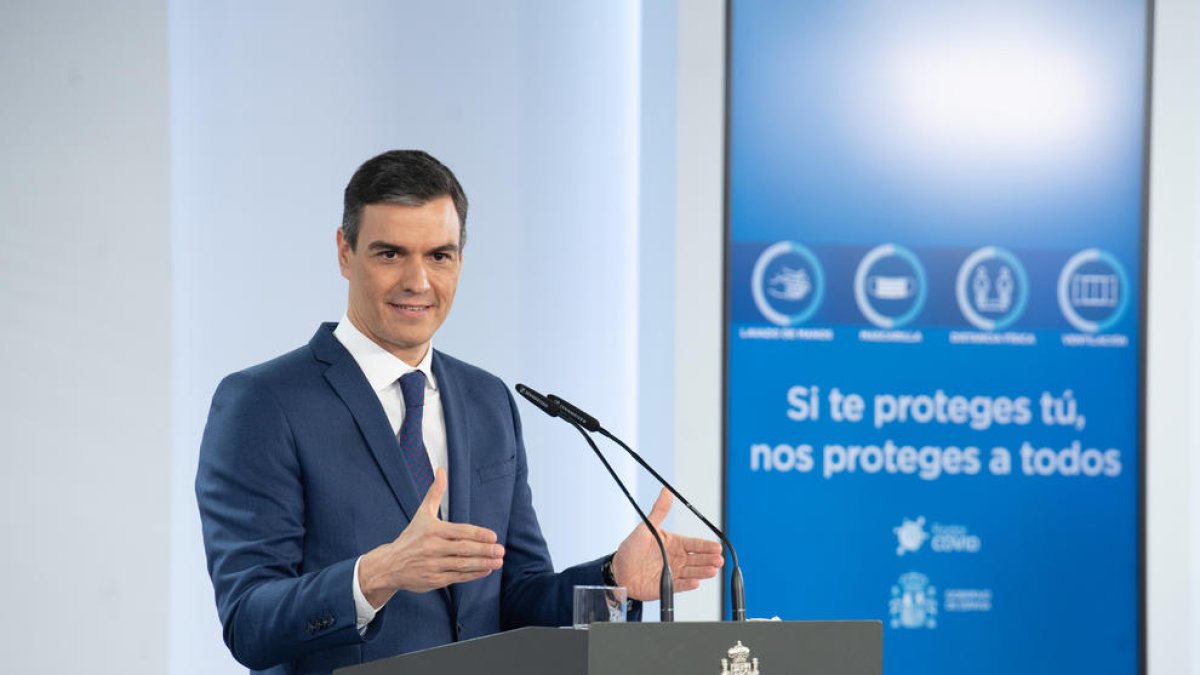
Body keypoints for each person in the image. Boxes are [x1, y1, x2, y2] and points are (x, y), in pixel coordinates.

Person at [196, 150, 724, 675]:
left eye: (439, 256)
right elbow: (248, 623)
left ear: (461, 261)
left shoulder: (487, 400)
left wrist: (614, 578)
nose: (418, 282)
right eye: (390, 254)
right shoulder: (264, 403)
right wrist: (377, 574)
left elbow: (516, 598)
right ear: (344, 251)